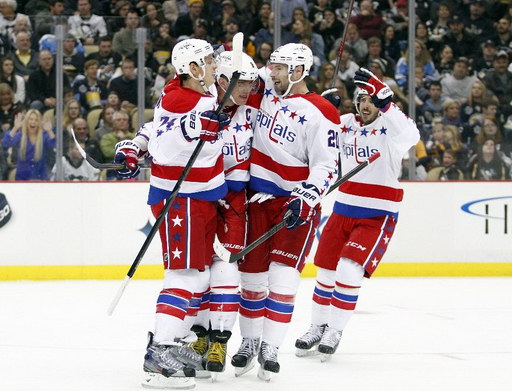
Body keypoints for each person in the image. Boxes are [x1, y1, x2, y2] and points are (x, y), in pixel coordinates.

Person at [113, 38, 230, 389]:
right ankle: (159, 354)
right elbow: (165, 145)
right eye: (208, 61)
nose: (214, 66)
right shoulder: (183, 98)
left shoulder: (180, 89)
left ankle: (170, 345)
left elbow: (154, 129)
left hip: (200, 196)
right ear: (192, 69)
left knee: (198, 274)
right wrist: (192, 129)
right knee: (186, 276)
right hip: (183, 198)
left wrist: (135, 143)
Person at [232, 43, 340, 380]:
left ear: (298, 72)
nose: (271, 72)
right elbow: (243, 73)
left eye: (279, 67)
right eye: (272, 66)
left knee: (283, 278)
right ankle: (249, 342)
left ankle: (271, 346)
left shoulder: (322, 112)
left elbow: (328, 166)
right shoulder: (266, 91)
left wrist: (307, 195)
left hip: (294, 204)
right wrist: (236, 53)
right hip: (255, 200)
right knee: (250, 280)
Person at [295, 67, 419, 360]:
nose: (365, 105)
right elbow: (314, 134)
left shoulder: (391, 128)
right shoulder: (346, 123)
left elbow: (412, 135)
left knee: (350, 269)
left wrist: (387, 102)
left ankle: (335, 330)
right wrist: (321, 108)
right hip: (343, 209)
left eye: (372, 100)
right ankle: (317, 326)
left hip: (377, 215)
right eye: (361, 99)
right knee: (325, 271)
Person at [186, 50, 261, 377]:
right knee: (198, 271)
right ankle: (199, 336)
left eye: (250, 81)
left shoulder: (255, 109)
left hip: (234, 198)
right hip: (201, 195)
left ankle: (220, 339)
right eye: (240, 81)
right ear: (221, 79)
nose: (247, 88)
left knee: (226, 271)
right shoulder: (198, 104)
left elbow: (289, 102)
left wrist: (323, 104)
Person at [2, 109, 56, 180]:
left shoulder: (44, 136)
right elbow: (6, 143)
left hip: (40, 178)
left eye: (36, 120)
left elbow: (55, 144)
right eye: (31, 119)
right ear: (26, 121)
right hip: (22, 179)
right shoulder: (20, 135)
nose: (33, 122)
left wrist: (49, 130)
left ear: (39, 123)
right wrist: (15, 128)